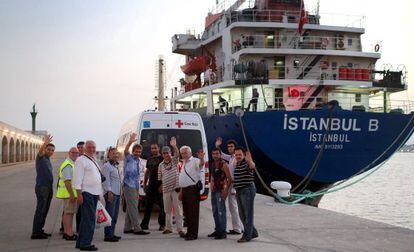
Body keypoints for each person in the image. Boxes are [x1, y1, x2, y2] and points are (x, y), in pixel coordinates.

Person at [74, 140, 102, 251]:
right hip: (87, 193)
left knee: (86, 219)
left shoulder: (92, 159)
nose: (92, 149)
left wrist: (99, 193)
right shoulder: (80, 161)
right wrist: (79, 194)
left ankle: (81, 242)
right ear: (85, 148)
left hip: (94, 193)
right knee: (89, 219)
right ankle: (86, 244)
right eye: (89, 147)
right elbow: (77, 179)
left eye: (93, 147)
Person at [215, 137, 243, 235]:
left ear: (235, 148)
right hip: (232, 184)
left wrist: (234, 188)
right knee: (236, 207)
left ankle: (237, 229)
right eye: (228, 147)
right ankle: (240, 227)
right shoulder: (231, 157)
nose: (230, 148)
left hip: (235, 185)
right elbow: (222, 155)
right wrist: (217, 146)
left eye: (231, 147)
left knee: (233, 207)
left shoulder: (236, 158)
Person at [122, 133, 150, 235]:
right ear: (133, 151)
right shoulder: (129, 158)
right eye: (136, 151)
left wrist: (139, 189)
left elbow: (137, 176)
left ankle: (127, 227)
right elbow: (125, 151)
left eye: (139, 151)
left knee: (131, 206)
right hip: (128, 186)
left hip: (135, 186)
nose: (138, 153)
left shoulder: (138, 161)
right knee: (134, 207)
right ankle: (137, 228)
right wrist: (130, 141)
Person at [158, 137, 185, 237]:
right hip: (166, 190)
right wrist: (161, 186)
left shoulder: (174, 161)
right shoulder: (160, 165)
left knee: (178, 210)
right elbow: (160, 177)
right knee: (167, 210)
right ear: (162, 154)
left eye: (167, 153)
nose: (166, 155)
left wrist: (174, 146)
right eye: (164, 153)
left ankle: (180, 229)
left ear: (170, 153)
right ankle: (168, 228)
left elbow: (177, 154)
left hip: (176, 189)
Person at [31, 134, 55, 239]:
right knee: (40, 210)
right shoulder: (40, 157)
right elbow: (40, 151)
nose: (50, 151)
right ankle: (35, 233)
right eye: (48, 149)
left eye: (52, 150)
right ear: (45, 149)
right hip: (42, 188)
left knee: (45, 210)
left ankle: (40, 230)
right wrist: (44, 143)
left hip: (48, 188)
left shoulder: (48, 159)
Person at [178, 146, 204, 241]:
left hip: (192, 190)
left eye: (186, 152)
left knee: (193, 213)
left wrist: (201, 158)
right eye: (183, 153)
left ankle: (193, 234)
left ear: (190, 152)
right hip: (185, 190)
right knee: (187, 213)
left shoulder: (195, 161)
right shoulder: (184, 162)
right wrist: (181, 191)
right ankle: (189, 232)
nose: (184, 154)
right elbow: (183, 177)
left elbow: (201, 164)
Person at [233, 147, 259, 243]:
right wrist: (236, 191)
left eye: (240, 154)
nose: (238, 156)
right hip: (240, 191)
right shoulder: (238, 163)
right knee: (242, 214)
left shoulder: (247, 163)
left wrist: (249, 161)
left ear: (243, 155)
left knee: (248, 214)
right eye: (236, 155)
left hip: (247, 190)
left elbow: (252, 166)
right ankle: (253, 232)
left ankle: (247, 235)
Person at [208, 147, 232, 240]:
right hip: (214, 191)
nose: (215, 155)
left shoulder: (223, 164)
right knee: (215, 211)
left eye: (217, 154)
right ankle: (217, 229)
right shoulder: (213, 164)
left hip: (221, 191)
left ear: (220, 154)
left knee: (221, 211)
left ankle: (222, 232)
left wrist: (226, 191)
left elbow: (229, 178)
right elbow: (212, 176)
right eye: (213, 154)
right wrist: (211, 187)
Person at [56, 147, 79, 241]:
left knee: (68, 213)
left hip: (68, 194)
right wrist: (72, 195)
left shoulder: (71, 164)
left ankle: (67, 232)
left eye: (77, 153)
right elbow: (67, 182)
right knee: (68, 214)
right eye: (73, 152)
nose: (75, 154)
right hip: (69, 194)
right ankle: (68, 233)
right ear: (69, 153)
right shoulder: (68, 165)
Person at [141, 143, 165, 231]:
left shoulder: (162, 158)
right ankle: (144, 224)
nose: (153, 150)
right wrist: (144, 183)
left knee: (162, 206)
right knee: (148, 205)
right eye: (152, 148)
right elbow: (147, 171)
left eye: (155, 148)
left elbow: (165, 172)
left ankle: (162, 224)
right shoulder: (149, 159)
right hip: (151, 184)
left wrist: (162, 184)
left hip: (160, 184)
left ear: (158, 148)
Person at [102, 147, 122, 242]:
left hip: (117, 194)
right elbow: (106, 181)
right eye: (113, 153)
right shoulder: (106, 166)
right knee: (110, 215)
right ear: (109, 155)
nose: (115, 155)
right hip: (111, 194)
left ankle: (112, 233)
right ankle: (108, 235)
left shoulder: (116, 166)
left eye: (116, 153)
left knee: (114, 216)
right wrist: (109, 192)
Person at [75, 141, 85, 233]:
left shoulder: (87, 158)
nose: (80, 149)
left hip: (85, 189)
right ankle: (78, 229)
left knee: (83, 211)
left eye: (82, 147)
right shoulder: (76, 159)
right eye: (79, 148)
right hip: (78, 189)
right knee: (78, 210)